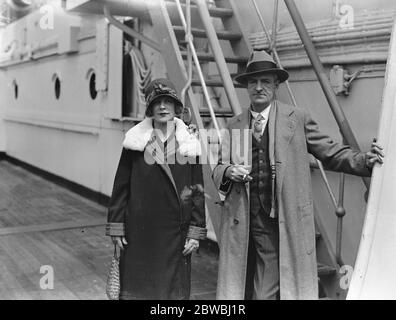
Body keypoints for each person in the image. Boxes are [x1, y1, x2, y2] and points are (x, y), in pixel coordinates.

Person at [212, 50, 384, 300]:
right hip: (253, 223)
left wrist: (364, 160)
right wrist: (229, 170)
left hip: (290, 218)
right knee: (260, 291)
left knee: (292, 288)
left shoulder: (296, 118)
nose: (258, 87)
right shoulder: (236, 125)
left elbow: (331, 152)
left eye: (265, 82)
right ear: (246, 87)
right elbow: (218, 168)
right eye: (253, 82)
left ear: (276, 85)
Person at [106, 78, 207, 300]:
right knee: (138, 292)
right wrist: (116, 226)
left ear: (176, 107)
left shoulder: (189, 142)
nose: (162, 107)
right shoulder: (134, 142)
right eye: (157, 102)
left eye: (167, 101)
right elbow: (121, 186)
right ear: (150, 108)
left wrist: (195, 232)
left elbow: (197, 189)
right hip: (139, 232)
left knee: (172, 294)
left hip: (175, 233)